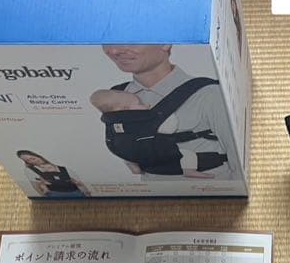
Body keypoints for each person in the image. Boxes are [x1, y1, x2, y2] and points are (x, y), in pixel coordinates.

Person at [92, 44, 238, 179]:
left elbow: (240, 166)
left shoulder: (209, 94)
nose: (114, 51)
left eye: (129, 40)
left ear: (165, 43)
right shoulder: (116, 96)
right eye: (108, 41)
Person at [16, 150, 90, 198]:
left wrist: (87, 194)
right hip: (54, 194)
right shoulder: (30, 170)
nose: (33, 161)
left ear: (38, 155)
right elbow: (36, 186)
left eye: (32, 157)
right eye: (28, 160)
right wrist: (44, 194)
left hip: (75, 192)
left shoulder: (63, 166)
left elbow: (79, 183)